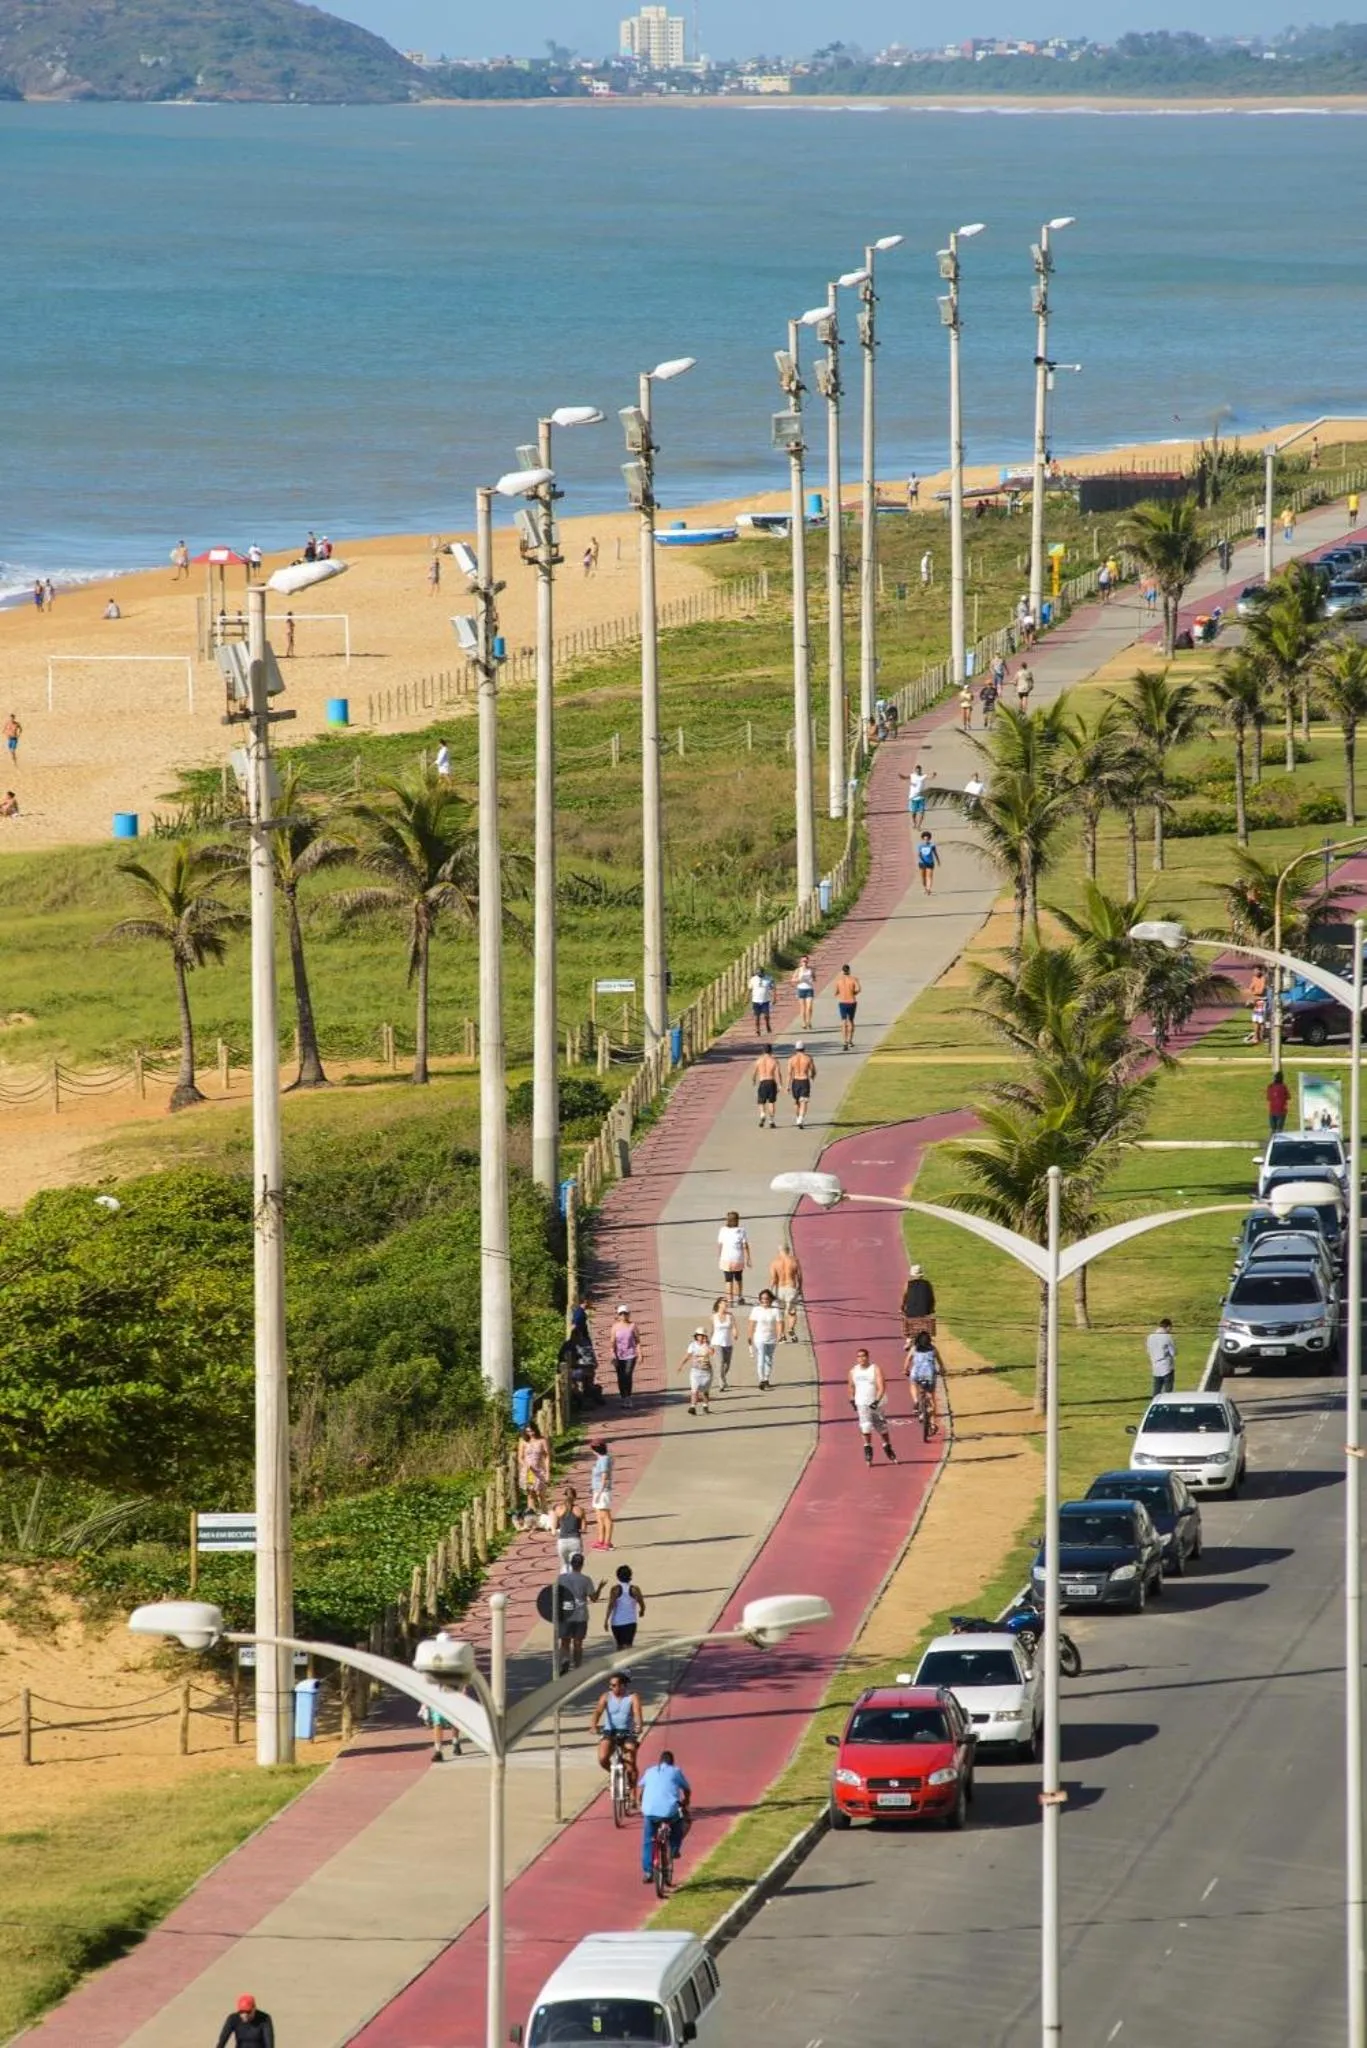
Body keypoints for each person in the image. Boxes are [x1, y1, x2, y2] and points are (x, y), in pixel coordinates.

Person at [638, 1748, 691, 1884]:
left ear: (659, 1761)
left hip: (649, 1811)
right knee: (679, 1823)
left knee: (648, 1841)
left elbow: (641, 1788)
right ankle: (674, 1849)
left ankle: (648, 1871)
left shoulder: (649, 1771)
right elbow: (687, 1789)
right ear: (672, 1763)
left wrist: (640, 1803)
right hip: (669, 1811)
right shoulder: (676, 1771)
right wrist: (686, 1801)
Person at [594, 1670, 643, 1792]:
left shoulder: (632, 1697)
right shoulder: (606, 1697)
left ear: (623, 1685)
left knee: (630, 1763)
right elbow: (598, 1712)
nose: (612, 1687)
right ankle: (613, 1774)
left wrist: (639, 1725)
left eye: (615, 1685)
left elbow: (637, 1713)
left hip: (627, 1732)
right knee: (602, 1758)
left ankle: (633, 1792)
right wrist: (593, 1725)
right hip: (610, 1732)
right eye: (611, 1685)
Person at [556, 1551, 604, 1674]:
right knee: (578, 1643)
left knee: (564, 1641)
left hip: (566, 1614)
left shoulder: (561, 1578)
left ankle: (564, 1663)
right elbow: (593, 1598)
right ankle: (577, 1668)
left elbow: (557, 1595)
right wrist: (600, 1588)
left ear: (571, 1564)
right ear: (582, 1565)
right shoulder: (585, 1580)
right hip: (580, 1614)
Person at [848, 1349, 896, 1467]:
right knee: (866, 1426)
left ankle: (887, 1446)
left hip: (875, 1403)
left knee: (882, 1428)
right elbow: (851, 1386)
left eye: (864, 1356)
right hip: (861, 1403)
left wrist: (877, 1400)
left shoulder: (875, 1369)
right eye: (859, 1357)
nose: (861, 1359)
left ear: (868, 1357)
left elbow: (881, 1386)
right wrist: (852, 1399)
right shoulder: (853, 1371)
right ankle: (868, 1449)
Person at [906, 1329, 941, 1437]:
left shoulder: (914, 1349)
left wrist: (905, 1370)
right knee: (931, 1396)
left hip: (917, 1374)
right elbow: (940, 1361)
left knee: (912, 1383)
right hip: (930, 1375)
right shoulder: (933, 1349)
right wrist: (942, 1369)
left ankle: (916, 1401)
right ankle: (934, 1422)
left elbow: (907, 1361)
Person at [769, 1240, 803, 1343]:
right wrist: (800, 1288)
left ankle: (781, 1336)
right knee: (791, 1312)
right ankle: (791, 1329)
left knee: (780, 1314)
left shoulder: (774, 1262)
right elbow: (799, 1276)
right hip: (791, 1288)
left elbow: (773, 1279)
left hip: (779, 1289)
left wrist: (770, 1291)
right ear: (788, 1250)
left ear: (779, 1250)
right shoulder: (794, 1260)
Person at [748, 1289, 783, 1389]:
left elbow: (780, 1322)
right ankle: (761, 1380)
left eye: (767, 1299)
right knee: (761, 1358)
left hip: (771, 1338)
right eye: (762, 1299)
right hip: (759, 1338)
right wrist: (749, 1337)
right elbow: (751, 1324)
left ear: (771, 1299)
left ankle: (766, 1378)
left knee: (769, 1359)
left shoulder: (775, 1310)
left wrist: (780, 1334)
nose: (764, 1301)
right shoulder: (756, 1310)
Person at [605, 1564, 646, 1649]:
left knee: (620, 1646)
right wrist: (642, 1611)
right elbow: (641, 1603)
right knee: (628, 1645)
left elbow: (611, 1605)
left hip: (617, 1622)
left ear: (618, 1576)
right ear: (630, 1575)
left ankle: (620, 1660)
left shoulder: (615, 1589)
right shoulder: (635, 1589)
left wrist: (606, 1620)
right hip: (630, 1621)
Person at [517, 1421, 551, 1523]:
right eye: (528, 1432)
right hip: (528, 1472)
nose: (530, 1433)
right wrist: (525, 1465)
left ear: (535, 1429)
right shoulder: (523, 1441)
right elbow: (520, 1457)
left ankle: (545, 1517)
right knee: (530, 1494)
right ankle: (531, 1519)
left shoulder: (542, 1440)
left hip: (539, 1470)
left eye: (531, 1431)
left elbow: (547, 1456)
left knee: (541, 1494)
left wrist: (548, 1472)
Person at [609, 1305, 641, 1404]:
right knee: (620, 1376)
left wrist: (640, 1354)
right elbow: (612, 1343)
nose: (623, 1316)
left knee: (628, 1375)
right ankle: (623, 1396)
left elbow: (637, 1341)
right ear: (618, 1315)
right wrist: (612, 1355)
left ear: (629, 1314)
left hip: (630, 1355)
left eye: (625, 1313)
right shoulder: (615, 1327)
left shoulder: (633, 1326)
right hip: (619, 1355)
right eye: (621, 1314)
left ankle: (628, 1397)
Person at [718, 1211, 751, 1304]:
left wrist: (720, 1256)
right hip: (738, 1258)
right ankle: (740, 1297)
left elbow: (720, 1245)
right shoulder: (741, 1230)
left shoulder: (722, 1230)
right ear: (737, 1220)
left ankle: (730, 1299)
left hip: (726, 1258)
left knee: (728, 1280)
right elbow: (745, 1245)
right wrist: (748, 1258)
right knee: (738, 1278)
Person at [680, 1325, 713, 1415]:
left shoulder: (707, 1345)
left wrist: (706, 1344)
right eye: (699, 1335)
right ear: (696, 1336)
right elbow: (688, 1356)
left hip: (706, 1371)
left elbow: (712, 1353)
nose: (701, 1337)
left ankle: (705, 1405)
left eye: (703, 1335)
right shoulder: (692, 1345)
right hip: (695, 1371)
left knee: (705, 1390)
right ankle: (692, 1407)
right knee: (694, 1390)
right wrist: (681, 1365)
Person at [589, 1437, 614, 1550]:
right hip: (597, 1490)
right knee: (599, 1516)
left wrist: (600, 1491)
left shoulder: (604, 1460)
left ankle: (607, 1542)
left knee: (605, 1516)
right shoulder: (604, 1458)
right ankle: (600, 1540)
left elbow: (604, 1476)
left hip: (602, 1491)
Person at [554, 1485, 586, 1573]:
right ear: (575, 1497)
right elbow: (584, 1528)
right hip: (575, 1540)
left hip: (562, 1541)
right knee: (575, 1567)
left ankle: (563, 1583)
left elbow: (556, 1526)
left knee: (564, 1565)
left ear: (564, 1496)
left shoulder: (558, 1509)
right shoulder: (580, 1510)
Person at [901, 1264, 935, 1342]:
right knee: (927, 1323)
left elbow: (904, 1297)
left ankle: (909, 1338)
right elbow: (932, 1298)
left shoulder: (908, 1284)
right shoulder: (927, 1284)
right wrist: (932, 1309)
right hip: (925, 1312)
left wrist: (901, 1307)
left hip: (910, 1313)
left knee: (906, 1320)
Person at [710, 1296, 737, 1391]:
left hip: (728, 1343)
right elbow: (712, 1330)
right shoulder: (713, 1316)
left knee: (727, 1365)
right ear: (719, 1304)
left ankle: (722, 1377)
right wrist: (709, 1344)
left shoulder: (730, 1315)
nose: (726, 1303)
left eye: (727, 1302)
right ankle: (721, 1383)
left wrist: (735, 1333)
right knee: (720, 1362)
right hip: (716, 1343)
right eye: (724, 1302)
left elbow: (734, 1327)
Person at [787, 1039, 816, 1129]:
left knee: (796, 1102)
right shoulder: (808, 1058)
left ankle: (798, 1118)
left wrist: (787, 1085)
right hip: (804, 1080)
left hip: (795, 1081)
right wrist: (812, 1076)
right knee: (803, 1101)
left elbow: (789, 1073)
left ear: (795, 1049)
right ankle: (800, 1118)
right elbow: (813, 1070)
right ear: (804, 1048)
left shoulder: (791, 1059)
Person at [1147, 1318, 1177, 1397]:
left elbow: (1149, 1350)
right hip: (1166, 1367)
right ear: (1168, 1326)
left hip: (1155, 1367)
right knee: (1168, 1391)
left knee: (1156, 1390)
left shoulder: (1150, 1337)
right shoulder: (1167, 1337)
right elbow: (1174, 1352)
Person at [834, 964, 861, 1051]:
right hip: (852, 1001)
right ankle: (850, 1040)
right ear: (849, 970)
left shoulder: (839, 980)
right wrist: (853, 993)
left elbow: (836, 992)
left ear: (842, 971)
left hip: (843, 1002)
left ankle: (845, 1041)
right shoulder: (853, 979)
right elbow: (859, 989)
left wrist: (840, 994)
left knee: (843, 1021)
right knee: (851, 1021)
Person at [753, 1045, 781, 1128]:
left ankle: (762, 1114)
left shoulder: (758, 1061)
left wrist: (753, 1080)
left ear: (763, 1051)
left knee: (761, 1101)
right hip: (771, 1081)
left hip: (762, 1082)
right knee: (771, 1102)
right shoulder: (774, 1061)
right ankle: (771, 1121)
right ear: (771, 1051)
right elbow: (778, 1074)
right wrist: (780, 1084)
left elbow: (754, 1073)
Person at [749, 966, 775, 1039]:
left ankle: (767, 1024)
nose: (759, 975)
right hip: (756, 1001)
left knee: (766, 1016)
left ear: (763, 972)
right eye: (758, 974)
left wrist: (774, 997)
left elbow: (773, 988)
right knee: (757, 1017)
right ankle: (757, 1029)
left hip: (765, 1000)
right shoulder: (753, 979)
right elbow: (750, 989)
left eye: (760, 973)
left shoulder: (768, 978)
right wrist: (746, 999)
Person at [792, 955, 816, 1029]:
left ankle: (809, 1021)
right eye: (803, 961)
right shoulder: (798, 970)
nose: (804, 962)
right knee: (803, 1008)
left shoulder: (811, 970)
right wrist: (799, 979)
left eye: (806, 961)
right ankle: (804, 1022)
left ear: (808, 961)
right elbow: (792, 980)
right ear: (801, 962)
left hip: (809, 989)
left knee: (809, 1007)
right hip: (801, 989)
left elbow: (814, 978)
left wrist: (812, 979)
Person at [903, 762, 928, 827]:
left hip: (921, 798)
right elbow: (905, 777)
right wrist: (901, 776)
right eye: (917, 770)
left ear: (921, 770)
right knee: (914, 813)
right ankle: (914, 823)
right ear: (915, 770)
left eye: (919, 770)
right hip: (913, 798)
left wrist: (933, 775)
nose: (918, 771)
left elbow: (930, 777)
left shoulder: (923, 776)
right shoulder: (912, 775)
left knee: (922, 812)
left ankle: (919, 825)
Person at [1267, 1068, 1290, 1135]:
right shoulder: (1283, 1087)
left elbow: (1268, 1098)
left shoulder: (1270, 1086)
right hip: (1282, 1110)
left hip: (1272, 1110)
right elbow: (1288, 1097)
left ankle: (1272, 1142)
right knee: (1279, 1129)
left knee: (1273, 1129)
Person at [917, 829, 940, 895]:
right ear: (922, 838)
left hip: (930, 862)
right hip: (922, 863)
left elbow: (935, 853)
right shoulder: (920, 846)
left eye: (927, 839)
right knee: (923, 877)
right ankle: (925, 888)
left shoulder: (932, 845)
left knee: (929, 876)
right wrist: (921, 859)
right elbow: (919, 854)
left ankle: (928, 889)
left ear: (929, 838)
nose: (926, 840)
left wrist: (938, 861)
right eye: (925, 839)